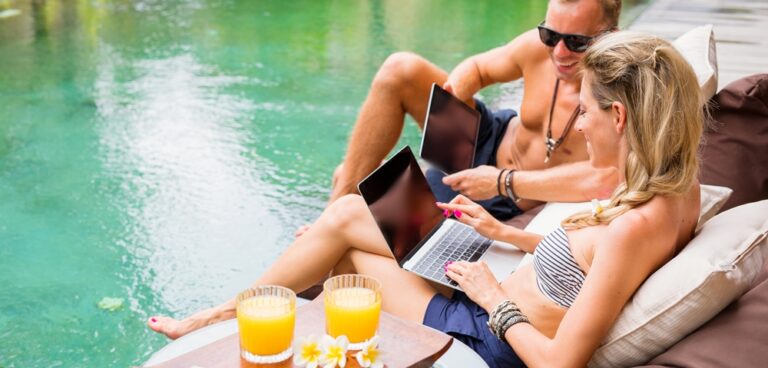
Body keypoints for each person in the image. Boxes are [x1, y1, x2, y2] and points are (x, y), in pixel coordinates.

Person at [149, 31, 705, 368]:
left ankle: (222, 318)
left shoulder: (638, 220)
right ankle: (230, 313)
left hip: (488, 331)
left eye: (586, 110)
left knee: (343, 259)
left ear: (620, 115)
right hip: (484, 273)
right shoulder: (678, 188)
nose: (580, 124)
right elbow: (595, 262)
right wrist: (507, 235)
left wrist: (492, 297)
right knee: (346, 217)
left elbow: (559, 362)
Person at [323, 0, 623, 225]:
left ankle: (357, 195)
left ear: (611, 35)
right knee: (400, 70)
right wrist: (451, 99)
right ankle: (333, 210)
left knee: (368, 209)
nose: (559, 52)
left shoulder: (622, 91)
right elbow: (478, 69)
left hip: (508, 197)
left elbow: (607, 178)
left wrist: (500, 181)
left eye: (576, 42)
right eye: (550, 35)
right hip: (486, 139)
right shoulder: (537, 47)